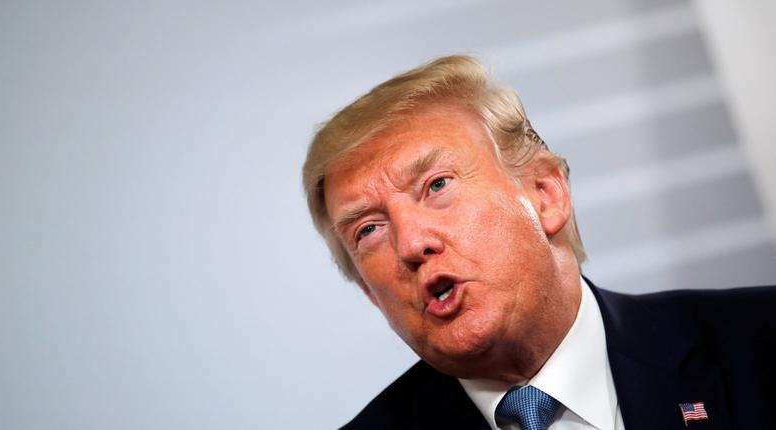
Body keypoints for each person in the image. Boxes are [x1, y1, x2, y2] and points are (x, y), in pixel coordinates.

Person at [302, 55, 776, 429]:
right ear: (369, 293)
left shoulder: (758, 342)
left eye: (438, 185)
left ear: (546, 195)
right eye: (368, 230)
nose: (410, 244)